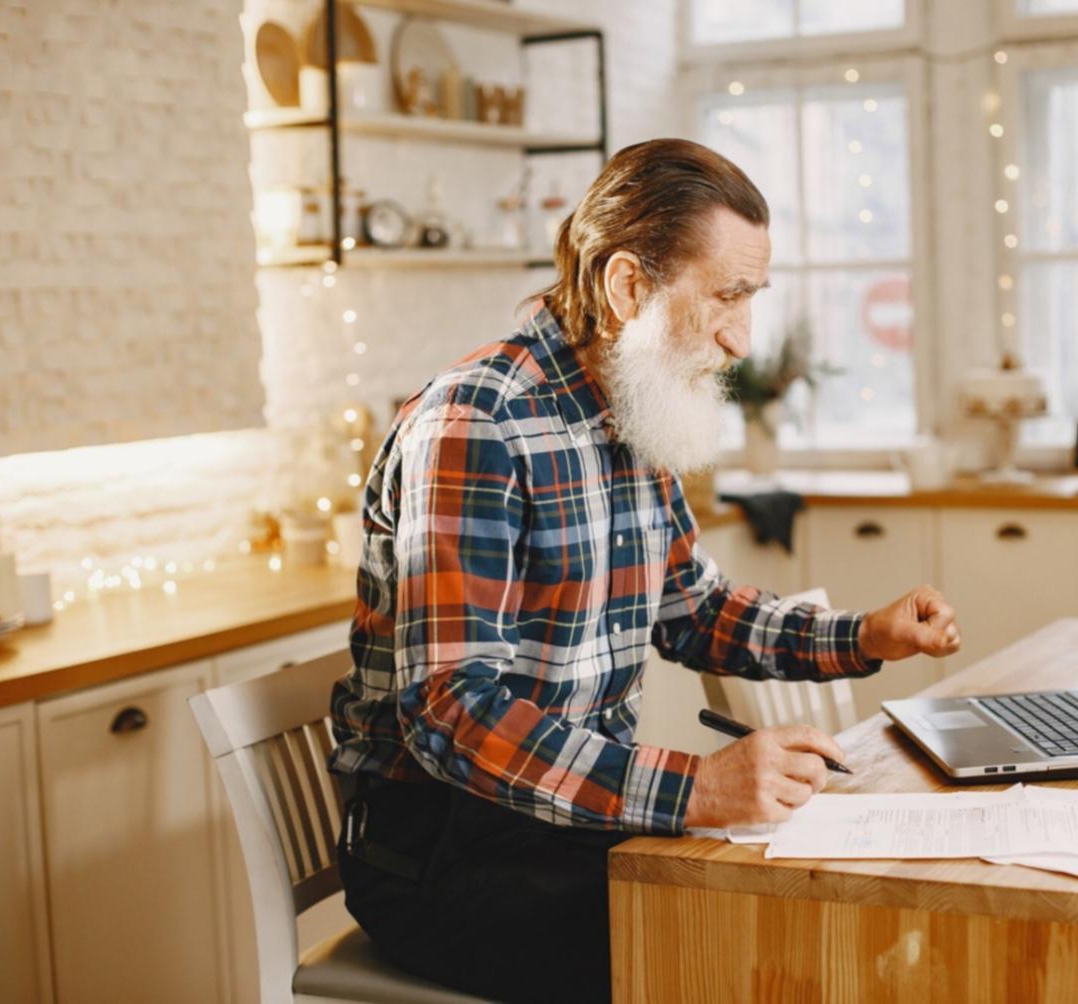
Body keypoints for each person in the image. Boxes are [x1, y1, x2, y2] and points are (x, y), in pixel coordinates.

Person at [328, 138, 961, 1003]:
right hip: (449, 856)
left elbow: (689, 609)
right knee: (750, 955)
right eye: (725, 297)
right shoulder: (477, 423)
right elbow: (452, 711)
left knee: (839, 929)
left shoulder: (631, 402)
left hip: (569, 827)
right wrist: (696, 786)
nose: (741, 337)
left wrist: (861, 637)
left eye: (752, 297)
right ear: (627, 287)